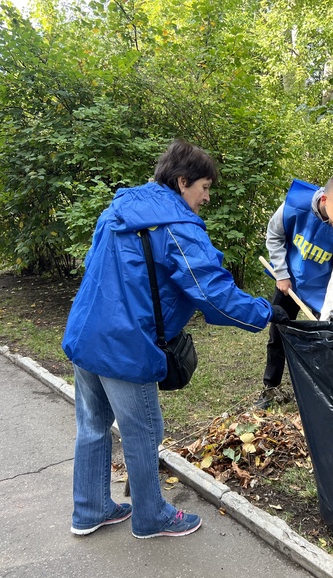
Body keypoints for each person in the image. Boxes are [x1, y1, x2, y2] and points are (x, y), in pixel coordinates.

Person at [62, 140, 289, 539]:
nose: (205, 197)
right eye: (203, 187)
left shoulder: (119, 209)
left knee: (93, 425)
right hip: (125, 345)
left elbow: (92, 263)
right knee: (144, 431)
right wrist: (266, 311)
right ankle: (150, 516)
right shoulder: (176, 224)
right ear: (182, 182)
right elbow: (210, 288)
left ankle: (90, 509)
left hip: (86, 332)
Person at [258, 174, 333, 409]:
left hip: (320, 291)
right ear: (325, 199)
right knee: (277, 336)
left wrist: (327, 315)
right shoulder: (295, 205)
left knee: (319, 342)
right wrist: (281, 273)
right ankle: (270, 389)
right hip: (289, 283)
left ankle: (317, 394)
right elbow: (274, 234)